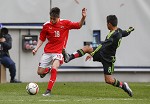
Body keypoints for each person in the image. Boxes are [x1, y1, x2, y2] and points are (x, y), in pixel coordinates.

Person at [63, 15, 134, 97]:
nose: (106, 25)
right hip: (102, 53)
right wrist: (131, 29)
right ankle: (69, 57)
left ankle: (123, 86)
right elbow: (126, 32)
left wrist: (92, 54)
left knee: (109, 80)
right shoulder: (119, 31)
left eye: (107, 24)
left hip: (108, 58)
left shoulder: (112, 35)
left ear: (109, 24)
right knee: (87, 48)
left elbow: (102, 45)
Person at [32, 7, 86, 96]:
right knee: (40, 72)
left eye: (54, 19)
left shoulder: (65, 23)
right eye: (51, 18)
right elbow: (42, 38)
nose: (52, 20)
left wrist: (83, 17)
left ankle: (48, 91)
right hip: (48, 51)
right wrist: (36, 48)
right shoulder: (46, 25)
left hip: (59, 52)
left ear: (58, 17)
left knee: (54, 68)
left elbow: (79, 25)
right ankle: (47, 69)